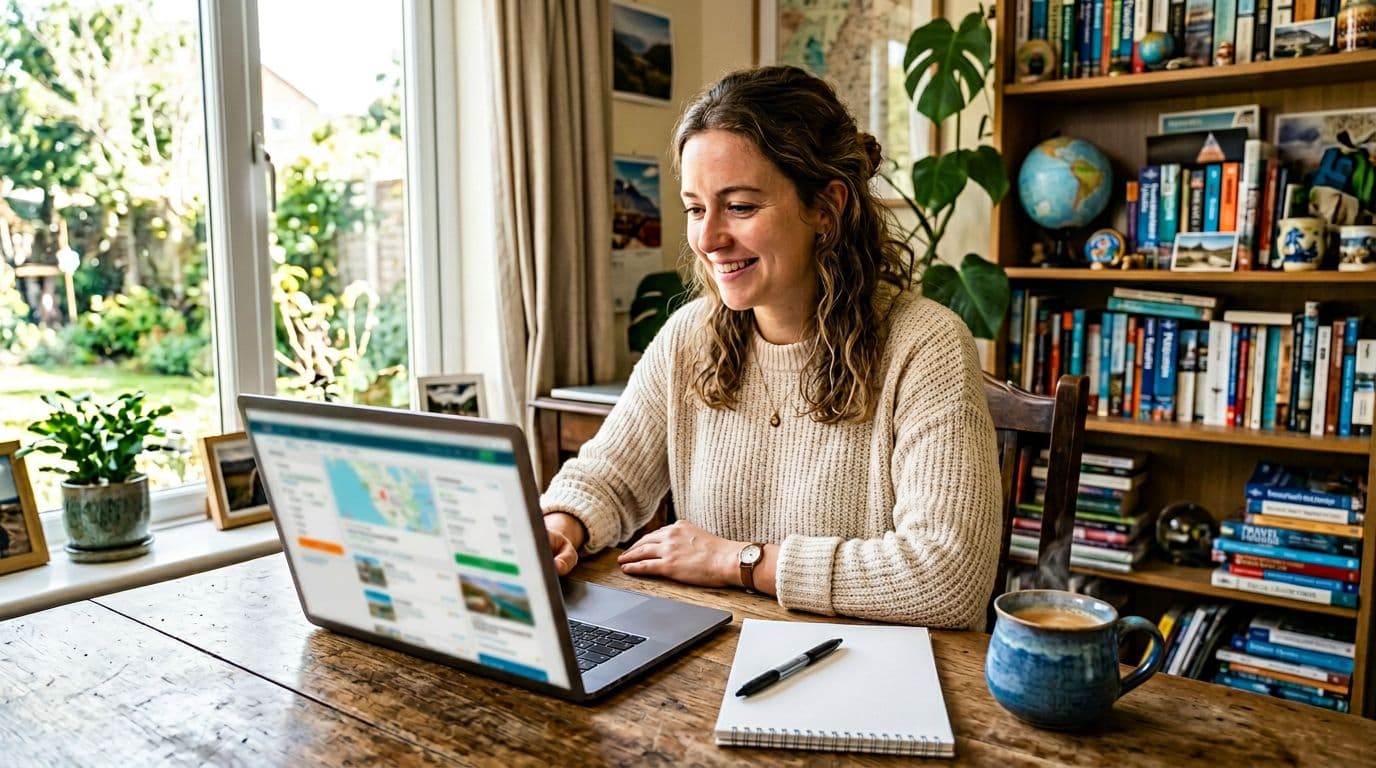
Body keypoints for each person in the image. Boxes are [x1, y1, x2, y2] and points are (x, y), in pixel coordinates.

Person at [540, 65, 1001, 629]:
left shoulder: (926, 345)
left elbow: (948, 577)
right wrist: (562, 526)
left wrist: (740, 562)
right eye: (695, 208)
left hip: (878, 687)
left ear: (825, 209)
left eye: (740, 206)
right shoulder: (690, 336)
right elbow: (609, 477)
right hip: (712, 666)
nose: (708, 239)